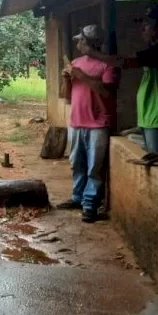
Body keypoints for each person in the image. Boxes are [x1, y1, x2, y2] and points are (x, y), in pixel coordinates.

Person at [83, 5, 158, 158]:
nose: (143, 28)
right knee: (155, 159)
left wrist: (91, 52)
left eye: (147, 24)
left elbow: (123, 62)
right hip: (151, 118)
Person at [56, 25, 120, 223]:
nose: (78, 43)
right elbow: (66, 96)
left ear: (90, 43)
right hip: (76, 121)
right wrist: (67, 80)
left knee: (95, 167)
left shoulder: (108, 65)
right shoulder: (76, 63)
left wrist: (81, 76)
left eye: (81, 40)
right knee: (76, 163)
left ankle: (90, 204)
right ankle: (77, 198)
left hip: (98, 124)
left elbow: (107, 92)